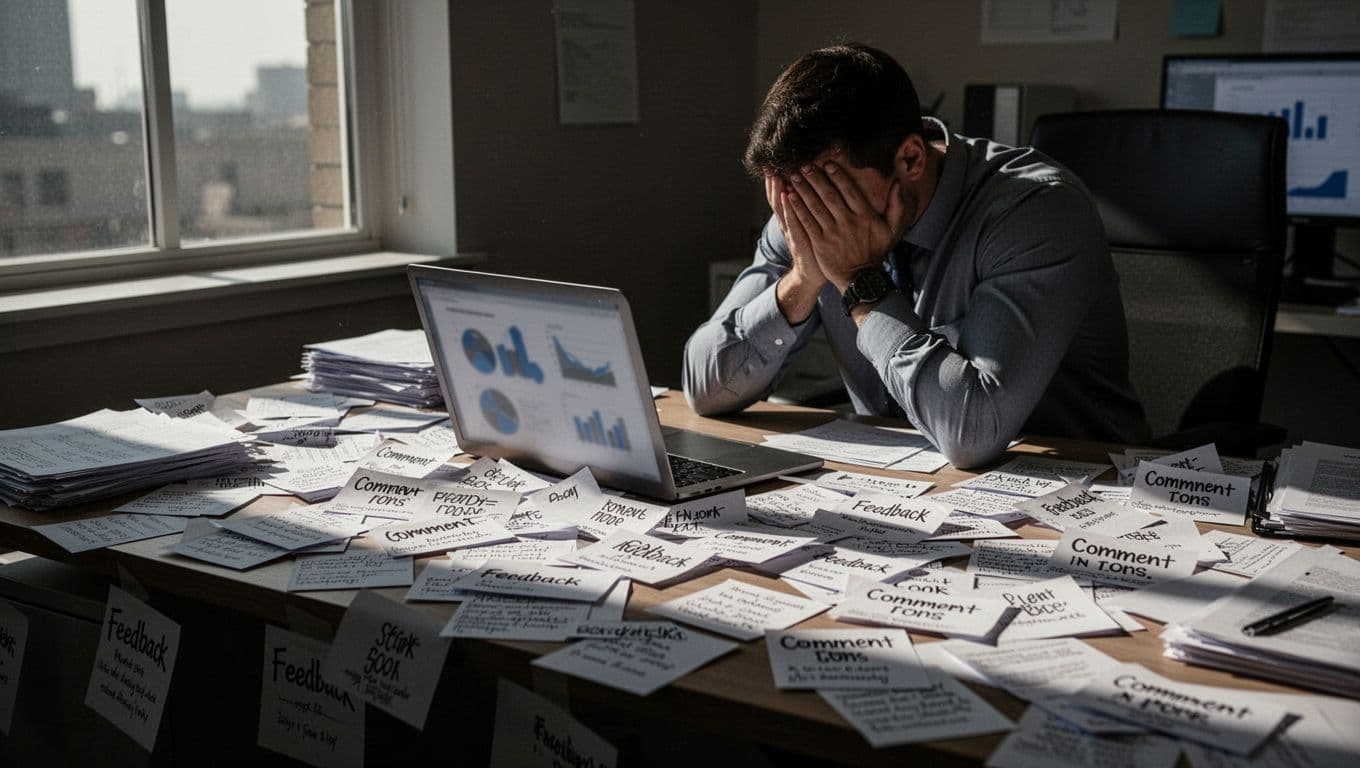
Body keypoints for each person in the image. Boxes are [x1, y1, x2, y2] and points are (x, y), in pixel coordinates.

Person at [682, 43, 1149, 469]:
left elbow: (972, 433)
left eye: (831, 192)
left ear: (910, 160)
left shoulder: (1034, 210)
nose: (809, 213)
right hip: (900, 490)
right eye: (793, 194)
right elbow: (703, 388)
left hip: (1083, 487)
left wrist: (859, 281)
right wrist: (803, 280)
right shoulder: (803, 206)